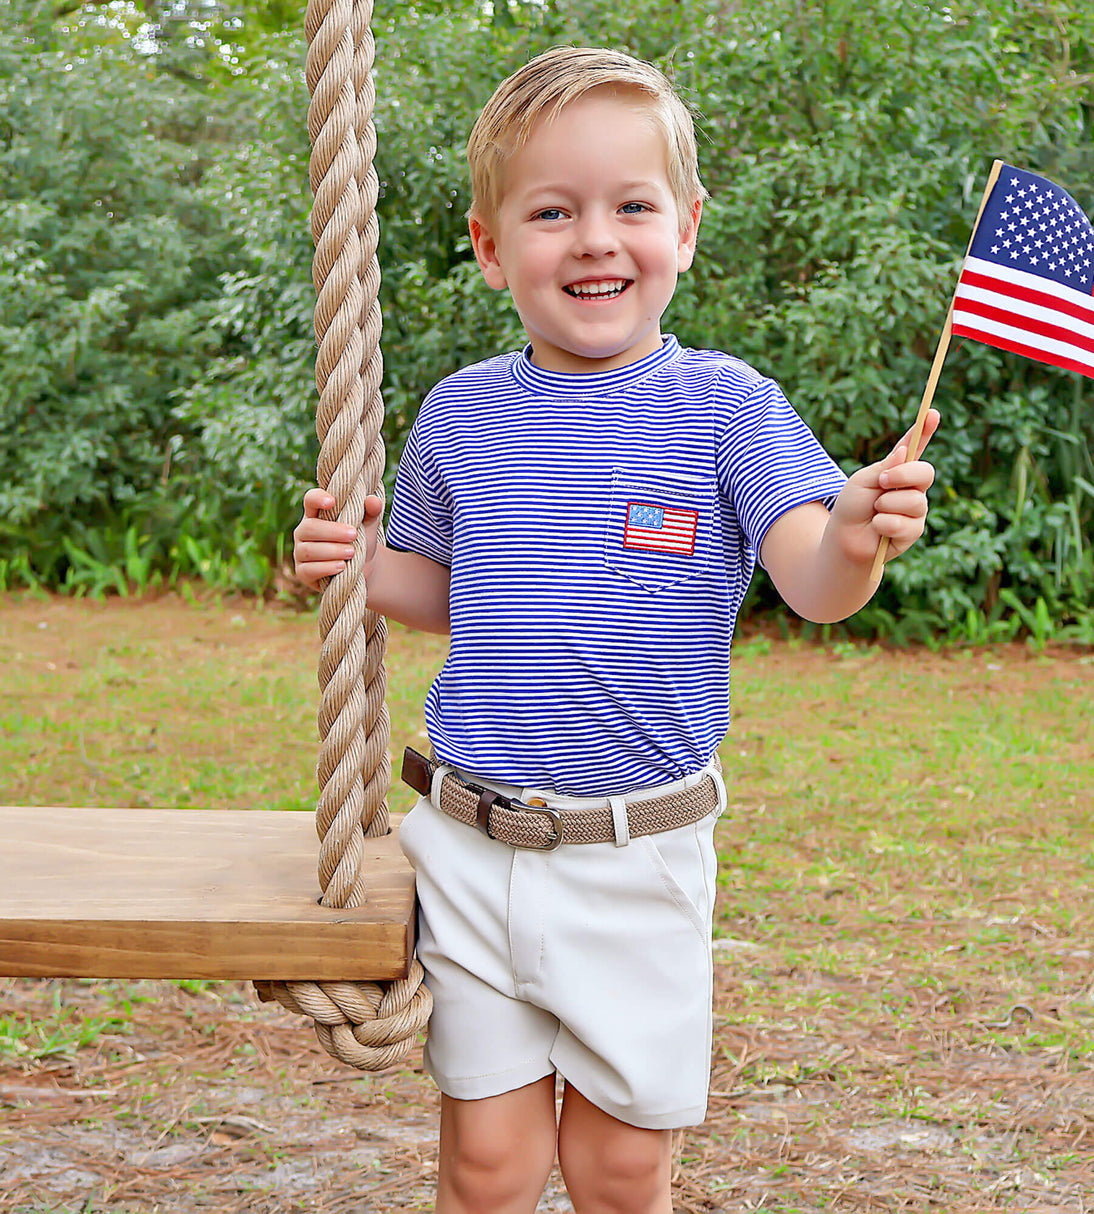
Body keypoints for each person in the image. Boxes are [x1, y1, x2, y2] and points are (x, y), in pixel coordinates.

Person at [293, 45, 938, 1214]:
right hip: (471, 846)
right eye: (551, 212)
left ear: (683, 228)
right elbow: (448, 589)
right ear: (492, 249)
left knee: (618, 1166)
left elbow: (809, 580)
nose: (594, 239)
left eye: (629, 206)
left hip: (634, 859)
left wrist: (852, 532)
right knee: (485, 1165)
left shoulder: (725, 407)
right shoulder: (461, 414)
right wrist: (354, 570)